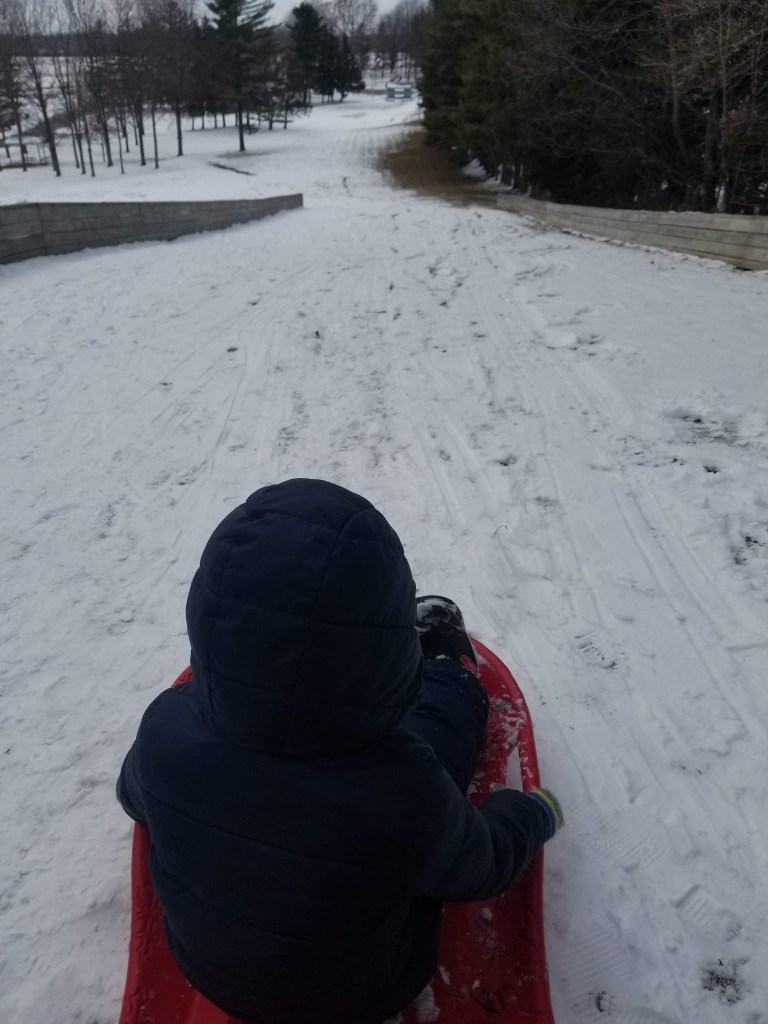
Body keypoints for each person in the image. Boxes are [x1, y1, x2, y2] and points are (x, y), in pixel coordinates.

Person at [117, 478, 563, 1024]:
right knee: (437, 733)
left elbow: (134, 798)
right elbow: (481, 865)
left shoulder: (165, 728)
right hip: (360, 995)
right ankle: (448, 673)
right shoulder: (403, 789)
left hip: (206, 971)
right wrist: (530, 814)